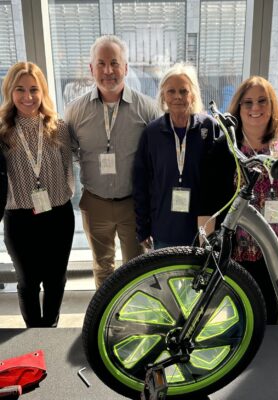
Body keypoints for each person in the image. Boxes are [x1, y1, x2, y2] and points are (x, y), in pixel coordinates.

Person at [199, 76, 278, 324]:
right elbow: (207, 200)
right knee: (242, 314)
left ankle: (270, 357)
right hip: (243, 251)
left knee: (273, 313)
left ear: (272, 105)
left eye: (262, 101)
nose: (255, 108)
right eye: (248, 103)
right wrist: (208, 247)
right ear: (238, 107)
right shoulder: (227, 147)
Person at [65, 35, 160, 289]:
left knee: (135, 267)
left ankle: (133, 319)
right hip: (95, 203)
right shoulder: (75, 111)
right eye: (102, 63)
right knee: (102, 266)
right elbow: (72, 149)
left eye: (115, 63)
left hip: (133, 204)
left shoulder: (148, 109)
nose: (108, 71)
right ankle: (104, 319)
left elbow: (155, 159)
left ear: (126, 68)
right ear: (91, 69)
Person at [0, 62, 75, 327]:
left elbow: (68, 166)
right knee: (28, 282)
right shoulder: (2, 132)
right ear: (10, 91)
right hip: (19, 218)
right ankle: (34, 332)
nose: (28, 96)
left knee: (56, 280)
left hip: (58, 216)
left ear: (43, 91)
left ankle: (50, 328)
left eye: (34, 89)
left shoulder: (59, 128)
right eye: (20, 89)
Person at [133, 63, 219, 250]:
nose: (178, 96)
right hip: (164, 227)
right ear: (163, 95)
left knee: (200, 278)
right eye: (171, 91)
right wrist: (142, 227)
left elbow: (219, 180)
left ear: (193, 94)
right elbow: (141, 182)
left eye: (183, 91)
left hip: (201, 227)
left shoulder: (209, 127)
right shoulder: (152, 133)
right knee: (166, 277)